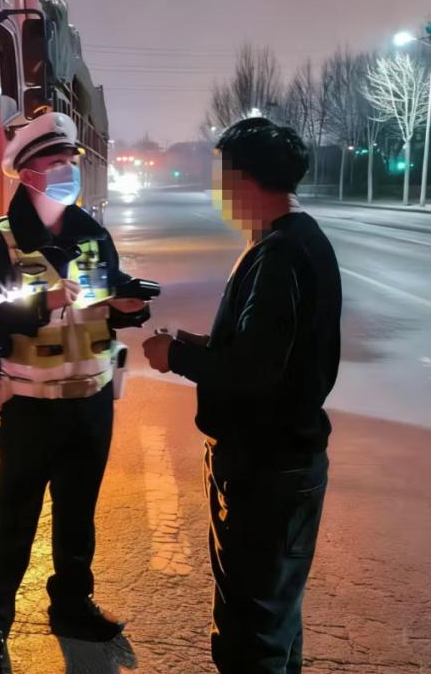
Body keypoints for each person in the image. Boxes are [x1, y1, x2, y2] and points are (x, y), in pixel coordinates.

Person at [142, 117, 341, 674]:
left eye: (222, 178)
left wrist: (175, 357)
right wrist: (204, 344)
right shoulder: (301, 239)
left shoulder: (279, 254)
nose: (219, 191)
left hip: (264, 471)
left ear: (245, 181)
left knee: (250, 638)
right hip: (284, 462)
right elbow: (274, 349)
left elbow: (255, 368)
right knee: (275, 624)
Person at [0, 111, 150, 674]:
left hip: (91, 399)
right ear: (27, 172)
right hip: (31, 406)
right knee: (12, 518)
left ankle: (72, 606)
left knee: (78, 514)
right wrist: (42, 304)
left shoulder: (92, 234)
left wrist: (128, 309)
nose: (67, 169)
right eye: (55, 160)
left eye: (71, 159)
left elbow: (104, 306)